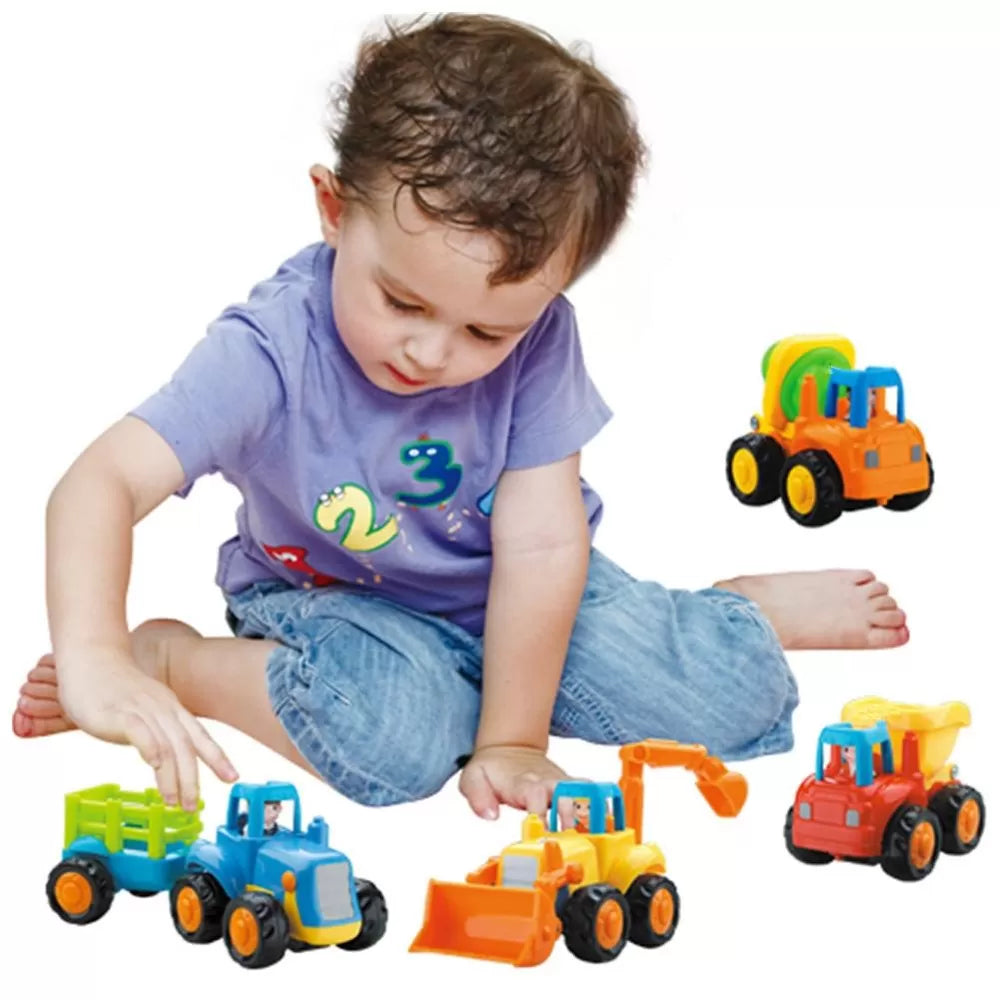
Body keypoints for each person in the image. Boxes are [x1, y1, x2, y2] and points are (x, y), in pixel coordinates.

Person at [13, 15, 908, 820]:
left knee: (733, 697)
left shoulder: (541, 338)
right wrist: (96, 654)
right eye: (401, 302)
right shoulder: (270, 351)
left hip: (513, 591)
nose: (432, 353)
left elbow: (543, 547)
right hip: (331, 605)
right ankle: (177, 662)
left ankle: (722, 615)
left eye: (486, 331)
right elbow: (100, 482)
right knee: (397, 742)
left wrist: (513, 740)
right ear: (334, 210)